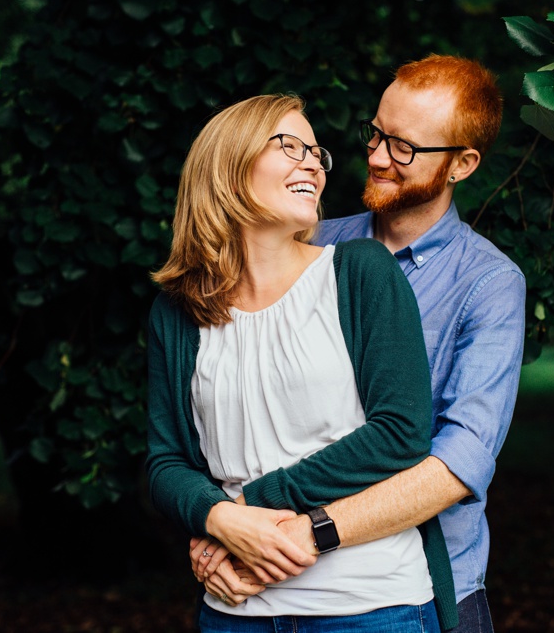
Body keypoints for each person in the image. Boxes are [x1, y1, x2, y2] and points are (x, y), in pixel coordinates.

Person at [191, 55, 525, 632]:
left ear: (462, 165)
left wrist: (289, 531)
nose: (375, 157)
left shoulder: (489, 284)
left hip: (427, 582)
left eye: (404, 148)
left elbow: (457, 463)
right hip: (259, 588)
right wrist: (218, 524)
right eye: (376, 133)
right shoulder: (309, 238)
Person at [145, 93, 456, 631]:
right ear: (228, 162)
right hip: (234, 611)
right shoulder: (176, 310)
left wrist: (248, 508)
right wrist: (217, 517)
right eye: (291, 145)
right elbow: (165, 462)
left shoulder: (359, 272)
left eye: (317, 152)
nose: (314, 162)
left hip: (371, 608)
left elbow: (401, 433)